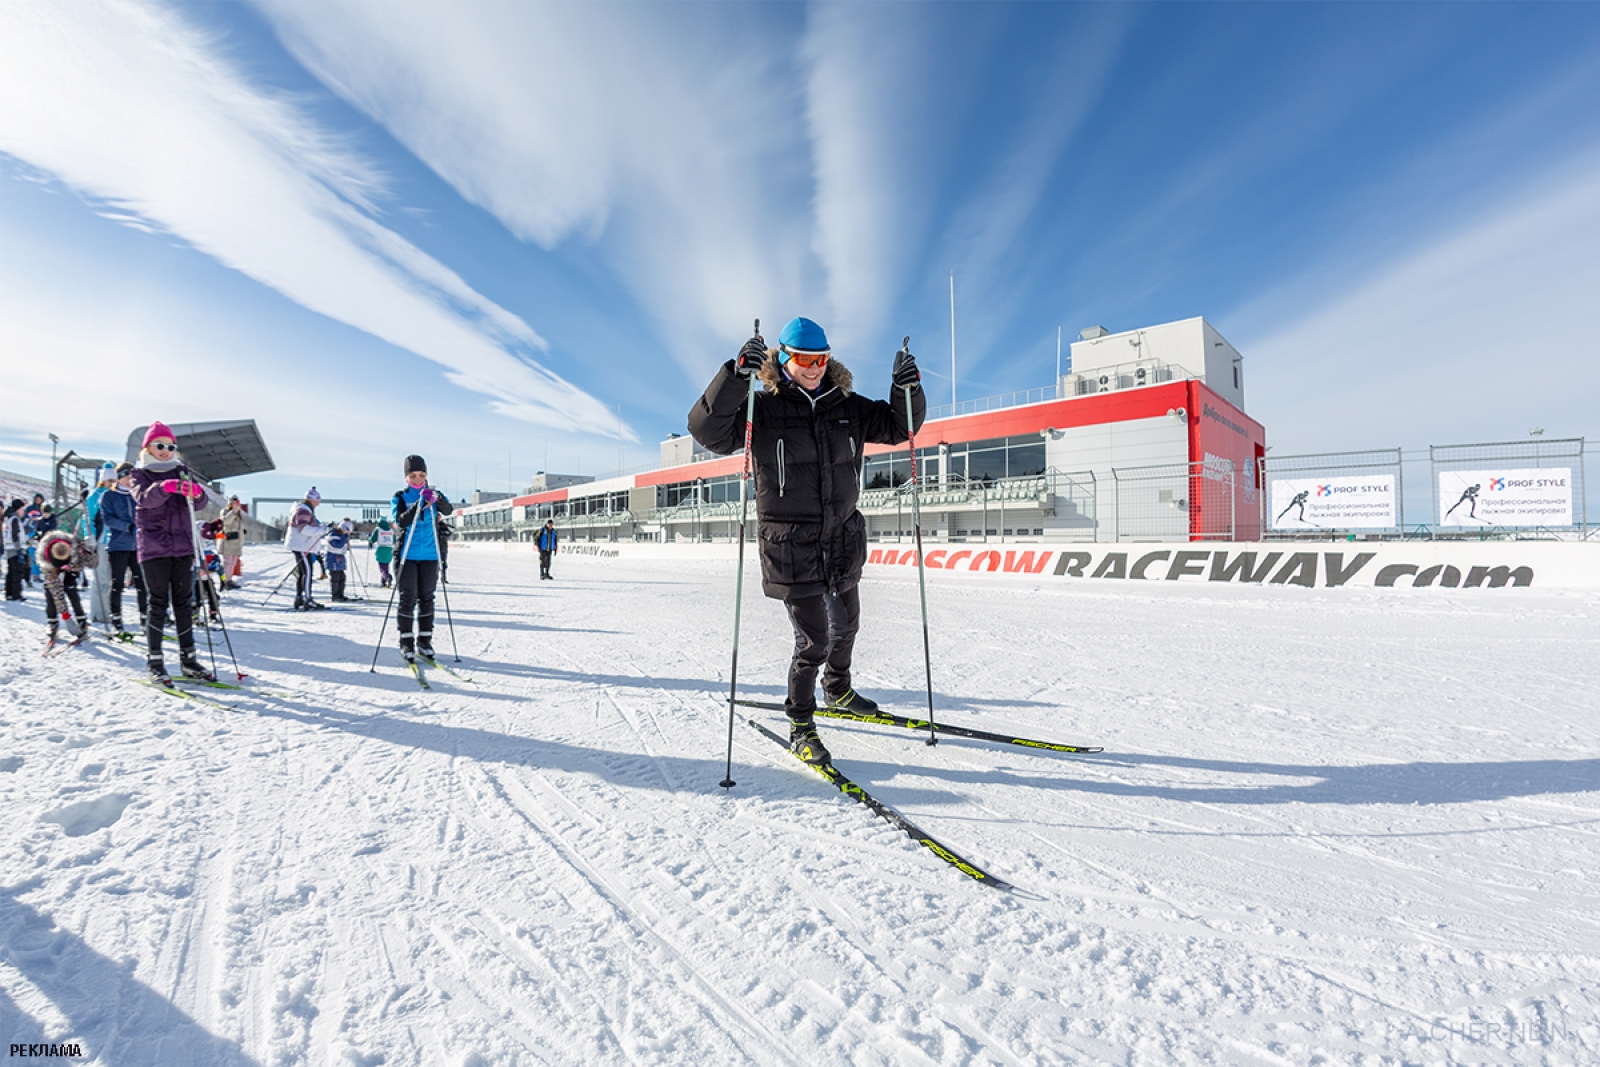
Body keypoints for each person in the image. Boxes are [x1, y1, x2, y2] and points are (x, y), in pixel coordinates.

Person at [687, 316, 924, 766]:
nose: (814, 368)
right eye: (804, 359)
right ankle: (801, 722)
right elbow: (707, 431)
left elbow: (900, 426)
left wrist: (907, 388)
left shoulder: (849, 406)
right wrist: (734, 376)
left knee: (847, 626)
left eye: (821, 359)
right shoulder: (762, 408)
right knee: (812, 641)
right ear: (783, 357)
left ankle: (837, 690)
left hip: (841, 539)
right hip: (790, 544)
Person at [129, 422, 217, 683]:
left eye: (170, 446)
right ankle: (155, 662)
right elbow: (143, 498)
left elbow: (198, 504)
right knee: (157, 603)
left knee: (184, 603)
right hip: (154, 547)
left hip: (182, 547)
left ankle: (188, 659)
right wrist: (165, 487)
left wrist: (197, 493)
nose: (165, 451)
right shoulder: (139, 473)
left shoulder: (182, 471)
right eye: (160, 446)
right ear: (148, 448)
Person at [390, 454, 453, 662]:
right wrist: (418, 505)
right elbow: (401, 521)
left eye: (422, 475)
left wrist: (438, 499)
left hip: (430, 554)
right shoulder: (400, 497)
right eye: (413, 475)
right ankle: (406, 641)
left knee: (427, 598)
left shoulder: (434, 494)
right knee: (408, 598)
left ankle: (424, 640)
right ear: (406, 476)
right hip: (407, 555)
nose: (418, 479)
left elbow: (448, 510)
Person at [100, 463, 146, 636]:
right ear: (119, 478)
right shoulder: (109, 496)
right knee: (117, 583)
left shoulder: (138, 496)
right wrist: (128, 527)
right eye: (127, 478)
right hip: (118, 546)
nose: (130, 482)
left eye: (132, 479)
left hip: (139, 546)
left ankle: (145, 618)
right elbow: (108, 519)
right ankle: (116, 620)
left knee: (142, 583)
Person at [38, 529, 95, 644]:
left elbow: (93, 564)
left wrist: (91, 550)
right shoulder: (46, 561)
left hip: (72, 566)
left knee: (70, 588)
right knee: (51, 592)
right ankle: (52, 622)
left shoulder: (76, 547)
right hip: (53, 570)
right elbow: (57, 593)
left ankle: (81, 619)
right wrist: (66, 617)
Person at [284, 488, 327, 611]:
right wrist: (322, 530)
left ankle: (300, 598)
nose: (318, 504)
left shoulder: (303, 509)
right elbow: (304, 529)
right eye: (317, 501)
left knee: (303, 572)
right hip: (301, 545)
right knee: (307, 572)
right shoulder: (303, 510)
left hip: (302, 545)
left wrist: (320, 528)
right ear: (311, 500)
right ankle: (308, 599)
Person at [4, 499, 28, 601]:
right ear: (17, 509)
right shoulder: (14, 519)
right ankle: (16, 594)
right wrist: (19, 550)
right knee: (17, 572)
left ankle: (9, 593)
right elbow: (15, 536)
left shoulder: (9, 519)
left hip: (9, 549)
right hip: (14, 549)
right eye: (22, 509)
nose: (23, 511)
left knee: (11, 572)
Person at [219, 496, 245, 588]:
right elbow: (225, 522)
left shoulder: (238, 514)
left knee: (233, 563)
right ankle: (225, 581)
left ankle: (229, 580)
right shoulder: (225, 511)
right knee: (228, 562)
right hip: (227, 541)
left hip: (236, 542)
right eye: (233, 502)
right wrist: (233, 511)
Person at [325, 520, 351, 601]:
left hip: (339, 559)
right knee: (335, 578)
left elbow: (342, 546)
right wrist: (345, 536)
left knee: (342, 577)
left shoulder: (340, 535)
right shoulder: (333, 534)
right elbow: (338, 545)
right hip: (333, 559)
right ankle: (335, 596)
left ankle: (340, 595)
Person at [370, 517, 395, 587]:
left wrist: (369, 539)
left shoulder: (378, 529)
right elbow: (394, 540)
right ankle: (383, 582)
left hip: (381, 549)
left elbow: (372, 539)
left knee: (382, 567)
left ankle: (387, 577)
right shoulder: (391, 530)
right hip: (389, 549)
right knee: (386, 566)